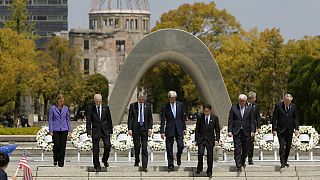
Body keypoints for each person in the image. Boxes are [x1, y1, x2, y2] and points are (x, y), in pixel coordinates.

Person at [160, 91, 186, 172]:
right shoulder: (165, 106)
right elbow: (163, 119)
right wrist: (162, 131)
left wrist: (184, 128)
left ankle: (178, 156)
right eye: (171, 98)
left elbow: (182, 117)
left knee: (181, 145)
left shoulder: (180, 105)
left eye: (174, 98)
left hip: (179, 128)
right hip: (169, 129)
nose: (172, 100)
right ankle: (170, 165)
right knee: (169, 148)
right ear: (169, 98)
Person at [228, 94, 255, 172]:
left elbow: (252, 121)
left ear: (246, 101)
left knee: (246, 149)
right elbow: (230, 120)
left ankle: (242, 161)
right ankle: (238, 165)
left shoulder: (249, 108)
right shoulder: (234, 108)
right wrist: (230, 131)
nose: (242, 102)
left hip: (247, 131)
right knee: (237, 149)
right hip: (237, 132)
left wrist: (252, 131)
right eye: (240, 101)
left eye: (243, 101)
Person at [86, 94, 113, 172]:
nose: (98, 103)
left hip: (105, 130)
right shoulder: (91, 108)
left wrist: (111, 131)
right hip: (96, 131)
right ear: (95, 101)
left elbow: (109, 120)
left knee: (108, 146)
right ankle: (97, 166)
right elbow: (88, 121)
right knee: (95, 149)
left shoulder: (106, 108)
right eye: (97, 101)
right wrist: (88, 131)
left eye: (100, 101)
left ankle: (104, 159)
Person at [128, 91, 153, 172]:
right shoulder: (133, 106)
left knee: (144, 147)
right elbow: (130, 118)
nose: (142, 100)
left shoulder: (148, 106)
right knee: (137, 146)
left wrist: (150, 128)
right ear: (138, 98)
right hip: (136, 127)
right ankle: (137, 159)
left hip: (144, 128)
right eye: (140, 99)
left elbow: (150, 118)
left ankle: (144, 165)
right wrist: (129, 129)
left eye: (143, 99)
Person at [272, 94, 299, 168]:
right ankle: (282, 162)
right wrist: (274, 129)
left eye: (290, 101)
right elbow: (274, 118)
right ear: (284, 100)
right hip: (281, 129)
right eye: (287, 101)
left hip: (290, 129)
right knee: (282, 146)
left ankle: (285, 160)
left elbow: (295, 118)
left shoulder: (293, 106)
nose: (288, 102)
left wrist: (296, 128)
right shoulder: (278, 106)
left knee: (288, 146)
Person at [195, 104, 220, 178]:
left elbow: (217, 130)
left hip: (210, 140)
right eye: (205, 111)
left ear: (210, 110)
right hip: (201, 139)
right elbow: (197, 129)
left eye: (207, 111)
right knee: (200, 153)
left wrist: (217, 139)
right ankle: (199, 167)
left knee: (210, 156)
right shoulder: (200, 117)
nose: (206, 113)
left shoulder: (214, 118)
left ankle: (209, 171)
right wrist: (196, 139)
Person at [49, 94, 71, 167]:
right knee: (57, 145)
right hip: (56, 129)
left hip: (64, 129)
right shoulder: (52, 108)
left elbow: (68, 119)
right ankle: (55, 158)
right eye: (60, 101)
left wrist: (69, 130)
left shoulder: (66, 108)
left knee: (62, 146)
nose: (62, 102)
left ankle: (61, 162)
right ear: (57, 101)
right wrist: (51, 130)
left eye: (63, 101)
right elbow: (51, 119)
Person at [247, 91, 261, 165]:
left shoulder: (256, 106)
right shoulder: (244, 105)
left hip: (252, 128)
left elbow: (258, 117)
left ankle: (250, 158)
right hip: (244, 127)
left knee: (250, 143)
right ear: (251, 98)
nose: (255, 99)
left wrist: (258, 126)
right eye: (254, 97)